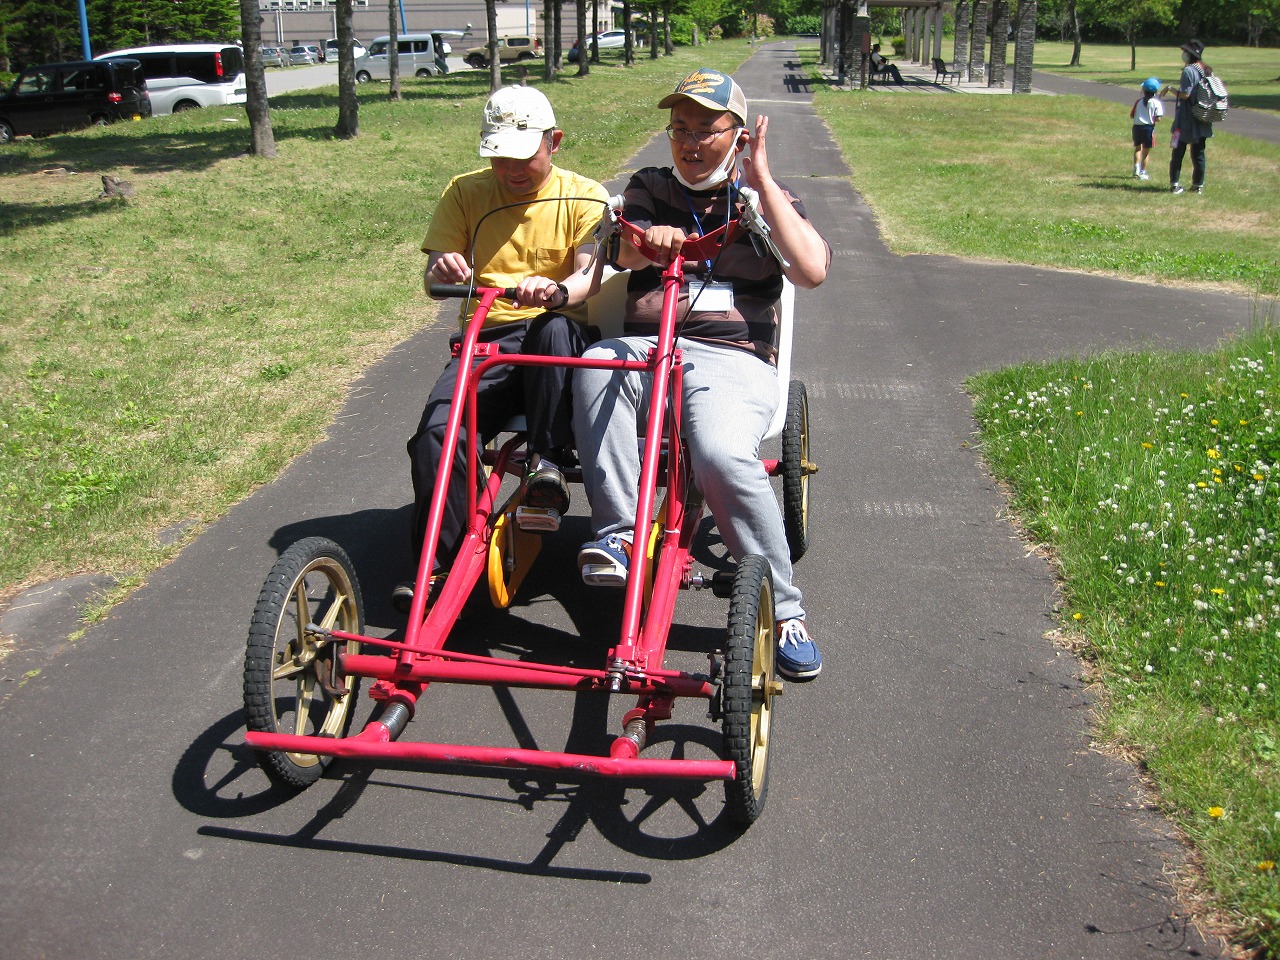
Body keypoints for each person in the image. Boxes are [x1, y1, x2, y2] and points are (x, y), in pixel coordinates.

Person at [571, 69, 831, 681]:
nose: (690, 143)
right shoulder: (649, 187)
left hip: (730, 357)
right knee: (594, 363)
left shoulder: (759, 196)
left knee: (717, 452)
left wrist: (762, 183)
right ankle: (620, 533)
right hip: (645, 346)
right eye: (679, 129)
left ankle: (784, 608)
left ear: (738, 136)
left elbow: (813, 270)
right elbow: (624, 251)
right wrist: (650, 240)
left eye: (706, 131)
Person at [399, 85, 608, 613]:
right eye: (498, 155)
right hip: (485, 341)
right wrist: (441, 269)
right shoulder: (466, 192)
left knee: (554, 329)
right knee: (435, 435)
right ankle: (443, 565)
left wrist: (559, 290)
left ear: (554, 142)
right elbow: (434, 276)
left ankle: (545, 465)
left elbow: (590, 273)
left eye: (523, 155)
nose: (510, 168)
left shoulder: (585, 195)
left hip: (557, 333)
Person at [1163, 40, 1214, 195]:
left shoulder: (1188, 71)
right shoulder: (1205, 69)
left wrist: (1171, 89)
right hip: (1203, 116)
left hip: (1185, 119)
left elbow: (1185, 94)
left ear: (1190, 54)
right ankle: (1198, 185)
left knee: (1178, 152)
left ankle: (1175, 184)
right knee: (1198, 153)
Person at [1130, 76, 1163, 181]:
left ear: (1144, 90)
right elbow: (1158, 118)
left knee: (1138, 148)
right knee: (1146, 150)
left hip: (1137, 127)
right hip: (1148, 128)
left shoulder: (1138, 102)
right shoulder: (1156, 103)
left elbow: (1132, 115)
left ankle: (1136, 167)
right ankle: (1143, 171)